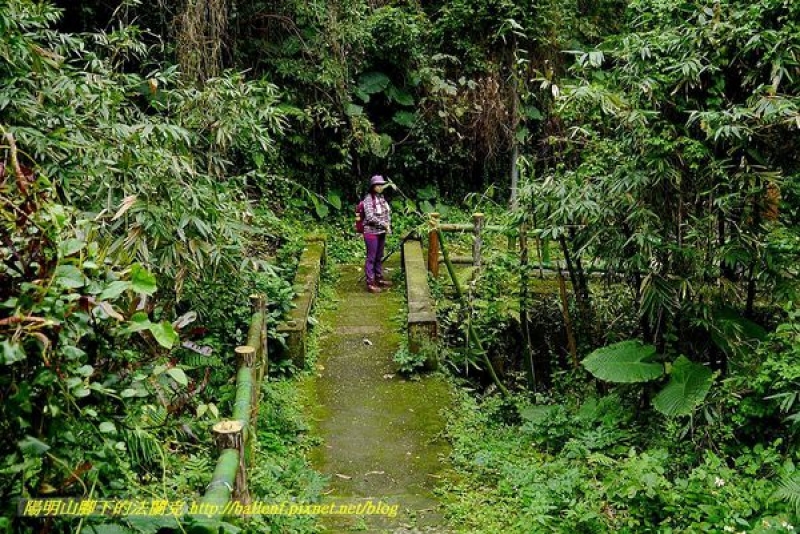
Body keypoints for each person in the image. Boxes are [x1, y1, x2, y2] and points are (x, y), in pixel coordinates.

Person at [362, 175, 392, 293]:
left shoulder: (381, 198)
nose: (380, 187)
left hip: (381, 232)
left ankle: (379, 278)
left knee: (379, 256)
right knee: (371, 257)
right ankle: (371, 283)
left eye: (381, 185)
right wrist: (383, 224)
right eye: (378, 185)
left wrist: (388, 225)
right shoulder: (368, 199)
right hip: (371, 232)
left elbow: (386, 213)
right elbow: (369, 217)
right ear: (373, 186)